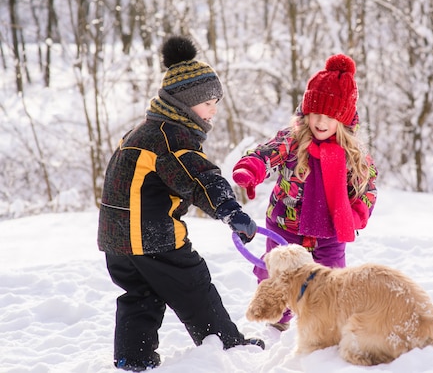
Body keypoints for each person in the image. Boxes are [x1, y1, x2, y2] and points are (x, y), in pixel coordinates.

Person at [97, 35, 264, 372]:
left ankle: (134, 357)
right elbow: (200, 177)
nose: (214, 110)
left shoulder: (144, 130)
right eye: (209, 103)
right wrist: (230, 210)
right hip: (151, 235)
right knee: (193, 285)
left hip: (116, 238)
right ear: (187, 103)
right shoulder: (172, 137)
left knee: (140, 295)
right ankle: (226, 343)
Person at [232, 53, 378, 331]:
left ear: (343, 120)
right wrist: (250, 169)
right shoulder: (292, 139)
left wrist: (359, 211)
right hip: (286, 225)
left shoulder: (353, 153)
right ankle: (278, 323)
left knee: (332, 280)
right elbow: (266, 153)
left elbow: (368, 187)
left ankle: (326, 324)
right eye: (316, 114)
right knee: (276, 275)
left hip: (330, 233)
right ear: (306, 112)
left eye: (330, 116)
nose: (321, 122)